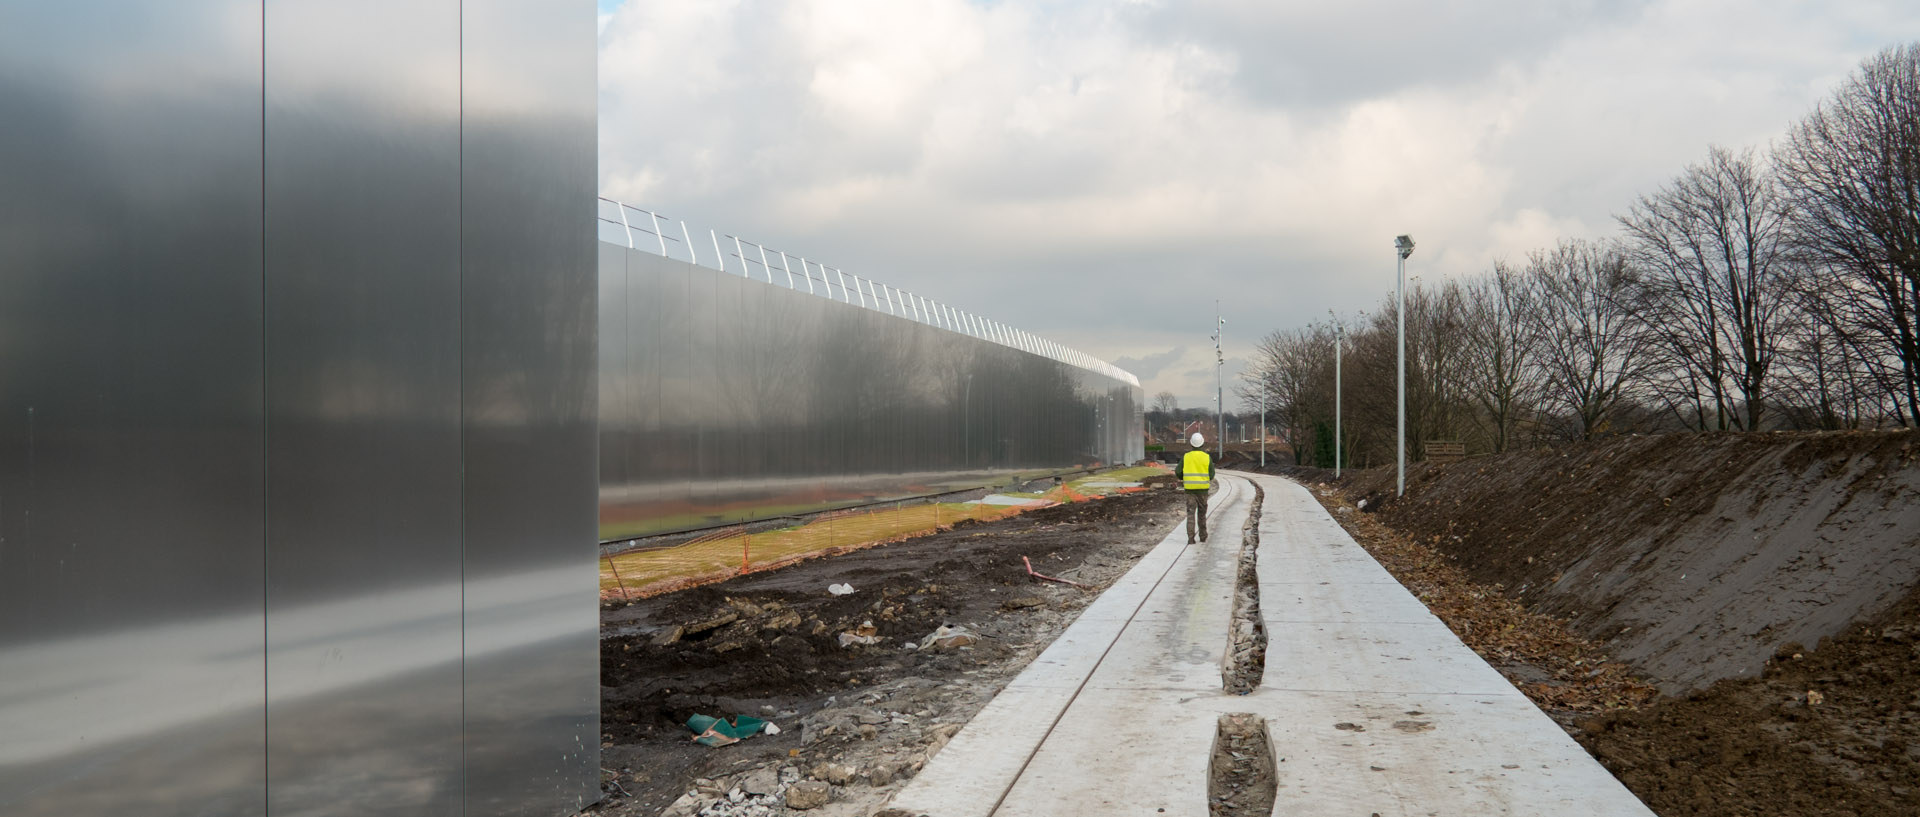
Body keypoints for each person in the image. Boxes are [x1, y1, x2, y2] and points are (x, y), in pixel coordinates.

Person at [1174, 432, 1214, 543]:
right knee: (1202, 513)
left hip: (1190, 490)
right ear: (1202, 444)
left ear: (1191, 444)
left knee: (1190, 513)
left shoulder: (1186, 457)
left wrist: (1184, 477)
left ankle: (1191, 538)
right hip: (1203, 491)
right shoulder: (1207, 457)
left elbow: (1177, 471)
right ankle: (1203, 536)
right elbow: (1212, 474)